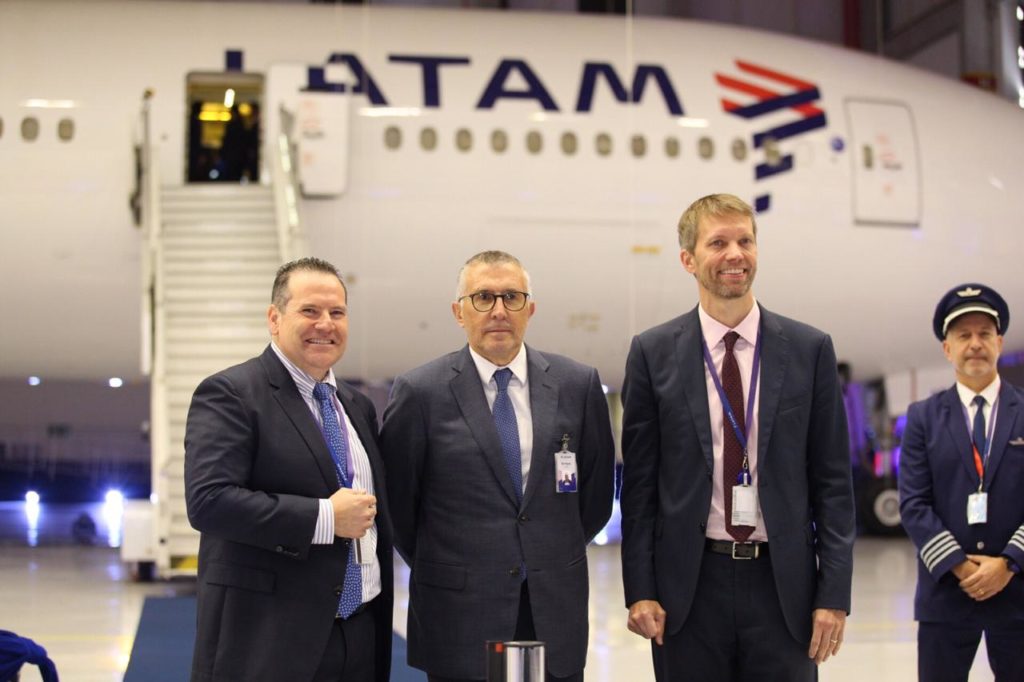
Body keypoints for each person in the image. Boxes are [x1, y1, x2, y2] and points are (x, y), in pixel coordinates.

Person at [619, 193, 856, 681]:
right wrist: (640, 590)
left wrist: (833, 594)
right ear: (688, 259)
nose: (735, 255)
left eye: (745, 241)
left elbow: (834, 483)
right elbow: (640, 489)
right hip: (689, 591)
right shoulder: (652, 353)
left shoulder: (809, 350)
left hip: (783, 590)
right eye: (718, 243)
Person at [380, 250, 615, 682]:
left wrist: (543, 550)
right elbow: (400, 508)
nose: (499, 311)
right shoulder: (421, 392)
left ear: (531, 309)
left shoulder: (576, 385)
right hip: (460, 613)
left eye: (512, 297)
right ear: (459, 312)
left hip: (550, 608)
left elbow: (596, 497)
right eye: (483, 297)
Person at [184, 257, 392, 682]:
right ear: (274, 319)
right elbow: (209, 501)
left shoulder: (356, 405)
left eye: (337, 312)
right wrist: (326, 518)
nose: (325, 324)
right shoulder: (231, 393)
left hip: (359, 633)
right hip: (270, 641)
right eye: (309, 310)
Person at [898, 283, 1024, 682]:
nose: (975, 344)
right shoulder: (922, 417)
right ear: (947, 348)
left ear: (999, 342)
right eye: (963, 335)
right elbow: (913, 504)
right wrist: (959, 566)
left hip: (1018, 592)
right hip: (946, 594)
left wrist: (1009, 563)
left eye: (985, 334)